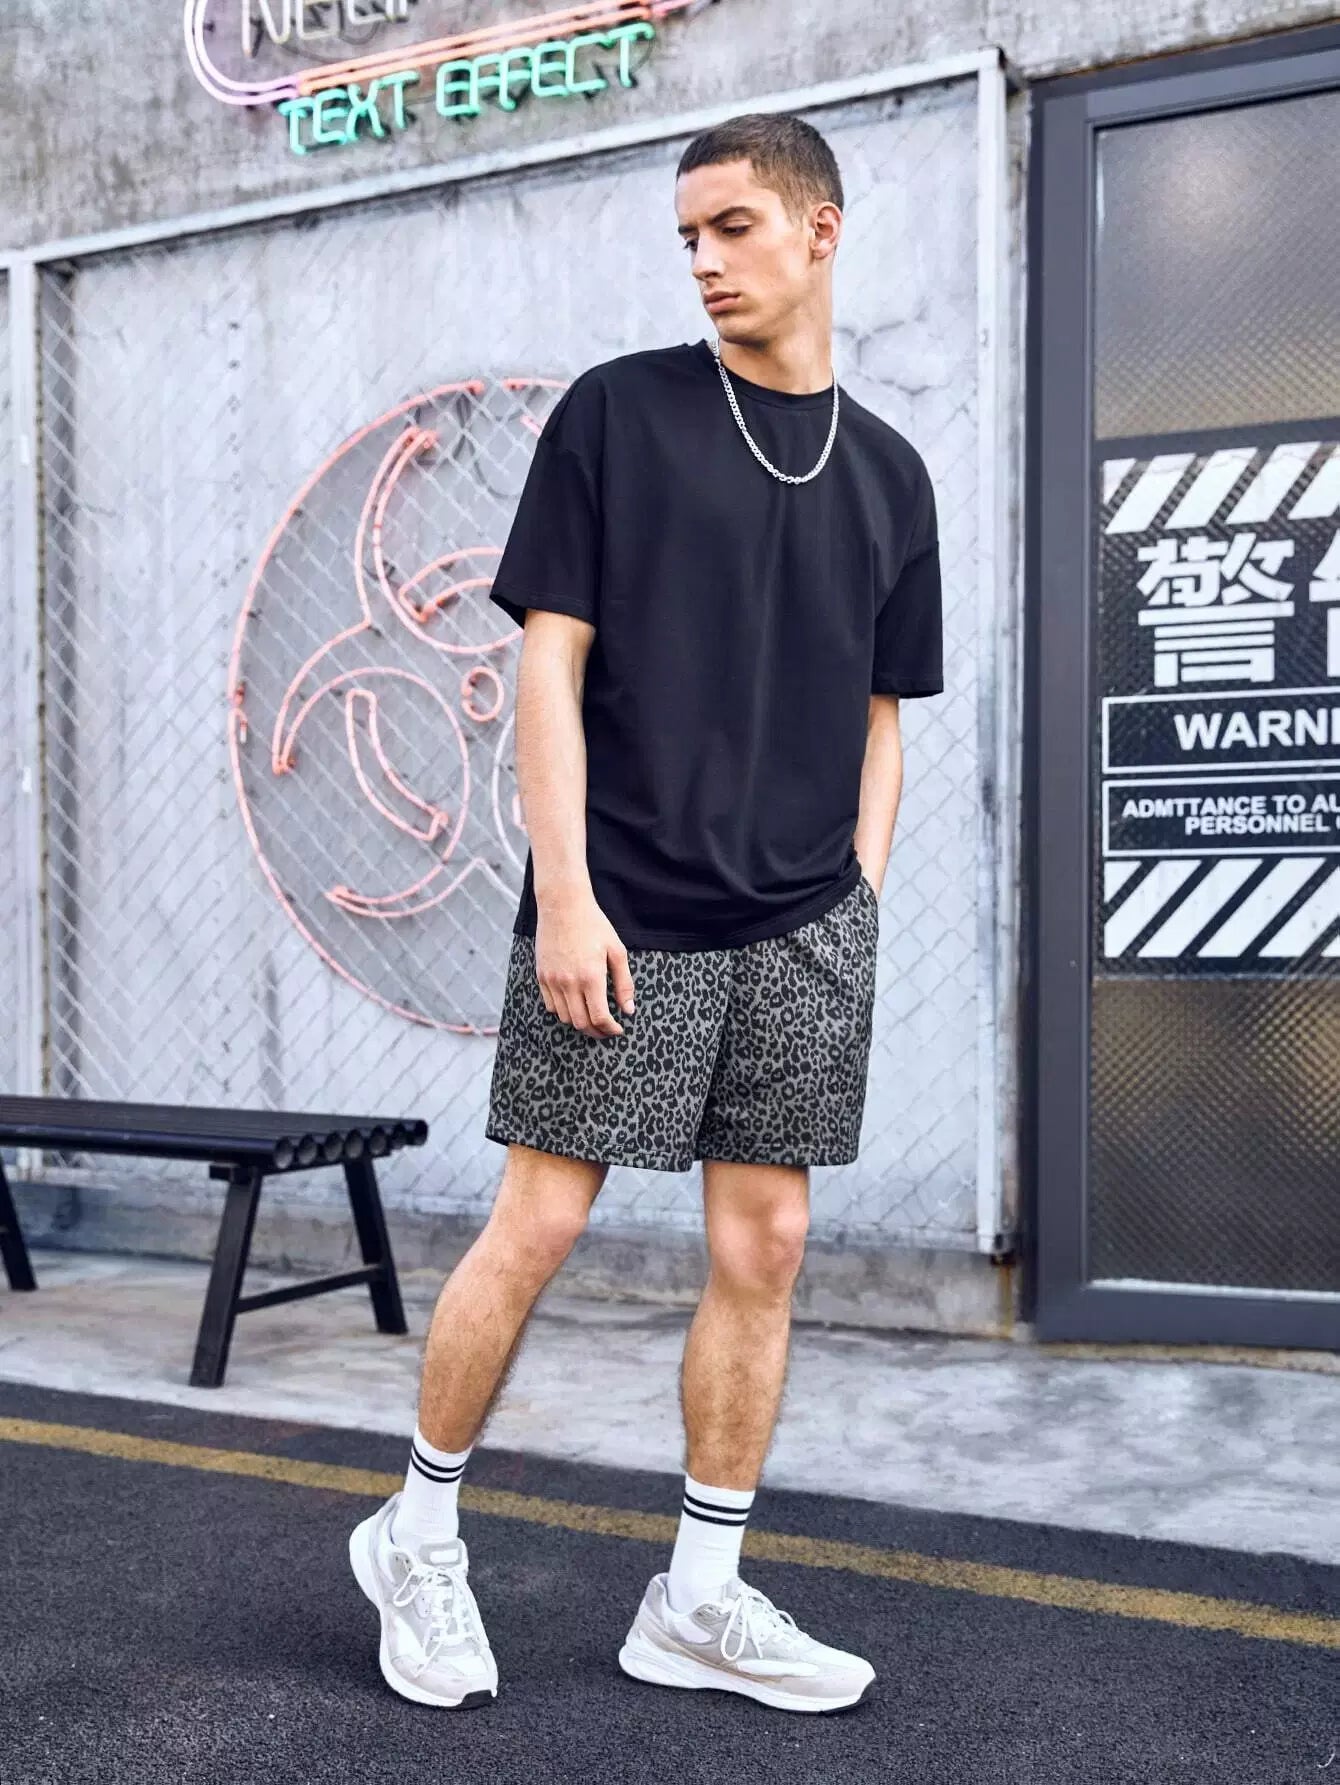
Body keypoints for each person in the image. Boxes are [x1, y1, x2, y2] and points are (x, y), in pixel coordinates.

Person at [348, 110, 943, 1716]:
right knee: (541, 1222)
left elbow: (884, 712)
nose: (704, 259)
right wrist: (564, 890)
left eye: (732, 226)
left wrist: (862, 893)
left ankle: (698, 1596)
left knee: (769, 1239)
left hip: (805, 922)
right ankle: (415, 1531)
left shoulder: (891, 476)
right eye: (688, 235)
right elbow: (547, 664)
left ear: (820, 229)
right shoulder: (619, 414)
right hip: (622, 909)